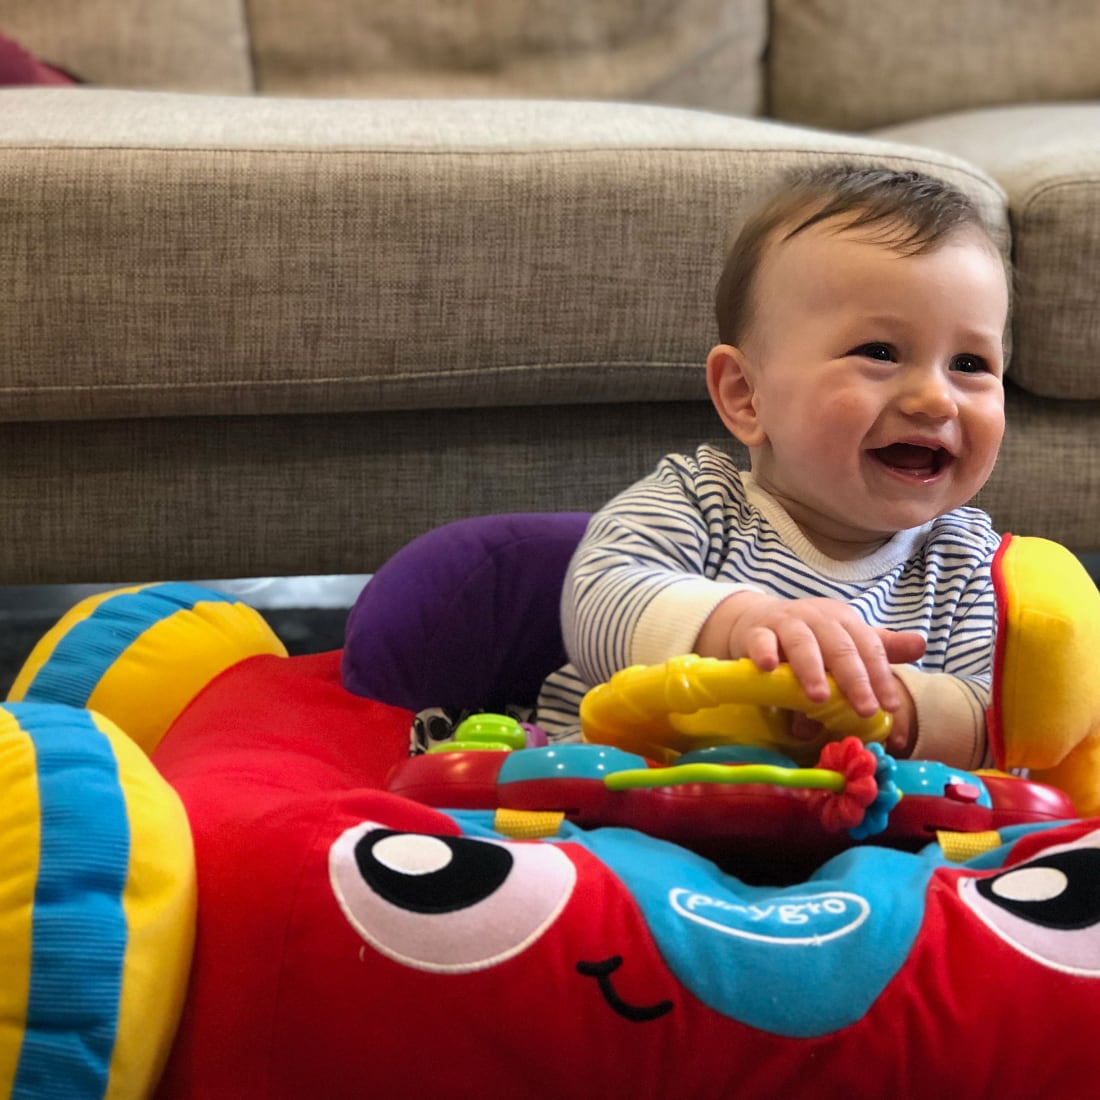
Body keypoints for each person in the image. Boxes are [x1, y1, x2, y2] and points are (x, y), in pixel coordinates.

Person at [538, 163, 1011, 770]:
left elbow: (1012, 721)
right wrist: (743, 625)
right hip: (625, 804)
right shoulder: (697, 503)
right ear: (746, 395)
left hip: (869, 837)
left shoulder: (972, 566)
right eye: (879, 353)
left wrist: (899, 707)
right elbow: (599, 600)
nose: (935, 399)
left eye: (970, 363)